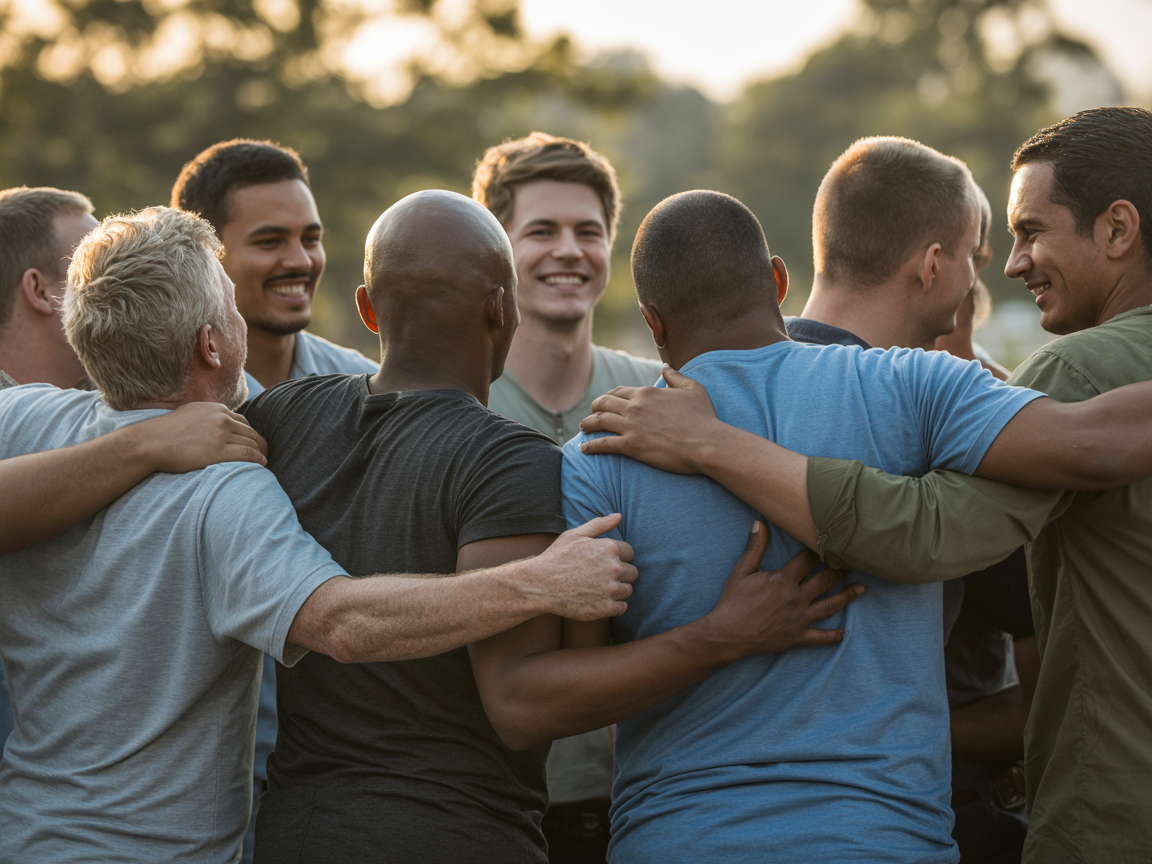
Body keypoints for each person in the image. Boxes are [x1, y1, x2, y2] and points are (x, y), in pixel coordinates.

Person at [580, 107, 1152, 864]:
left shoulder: (597, 449)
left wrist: (717, 445)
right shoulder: (935, 394)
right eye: (995, 245)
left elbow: (923, 533)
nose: (1012, 266)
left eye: (1030, 232)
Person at [0, 205, 638, 863]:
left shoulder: (25, 422)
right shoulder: (230, 484)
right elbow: (344, 627)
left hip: (31, 834)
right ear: (213, 344)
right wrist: (542, 584)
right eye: (233, 310)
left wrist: (144, 439)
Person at [249, 189, 861, 864]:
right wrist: (721, 636)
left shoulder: (284, 418)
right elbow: (524, 706)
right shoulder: (505, 461)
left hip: (292, 830)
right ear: (501, 308)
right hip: (454, 834)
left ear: (367, 310)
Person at [788, 137, 1034, 861]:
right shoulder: (947, 417)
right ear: (932, 265)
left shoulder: (702, 394)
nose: (973, 283)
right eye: (975, 260)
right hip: (898, 824)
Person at [0, 186, 269, 758]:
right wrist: (147, 442)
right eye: (85, 257)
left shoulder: (86, 404)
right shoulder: (19, 415)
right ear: (41, 290)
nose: (109, 269)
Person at [172, 138, 379, 857]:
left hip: (335, 780)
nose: (301, 260)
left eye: (311, 238)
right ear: (207, 258)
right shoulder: (151, 407)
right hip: (192, 793)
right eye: (270, 240)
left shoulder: (364, 391)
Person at [473, 131, 661, 861]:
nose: (568, 251)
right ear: (496, 250)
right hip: (496, 799)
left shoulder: (658, 390)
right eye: (540, 231)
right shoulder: (461, 406)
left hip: (637, 797)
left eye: (588, 232)